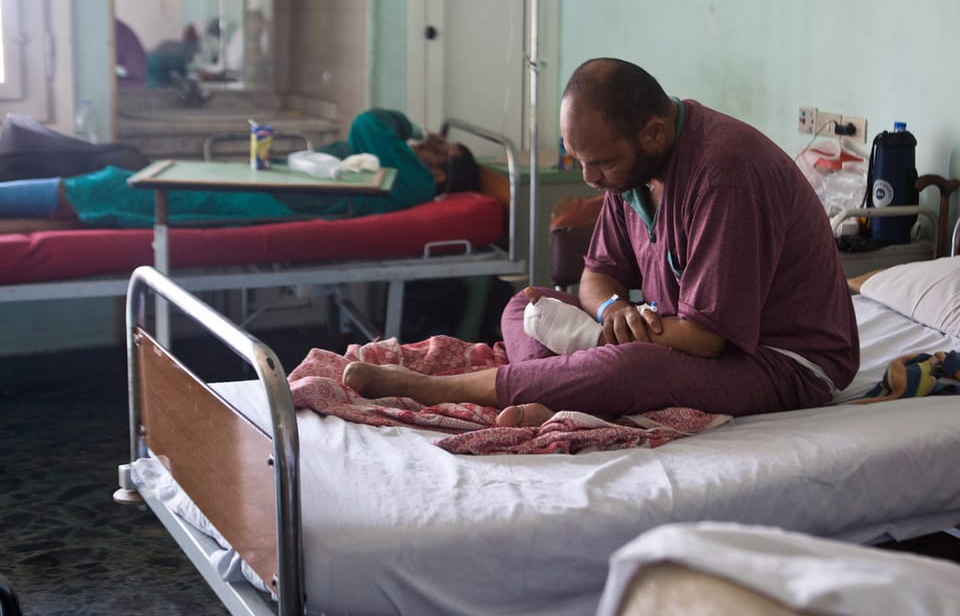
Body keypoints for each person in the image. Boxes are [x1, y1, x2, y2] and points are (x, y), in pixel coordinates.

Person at [342, 57, 860, 427]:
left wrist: (621, 340)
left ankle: (431, 389)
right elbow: (597, 274)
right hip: (683, 334)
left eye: (602, 163)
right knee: (528, 304)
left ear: (653, 133)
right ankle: (565, 386)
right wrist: (612, 309)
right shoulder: (631, 169)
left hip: (784, 363)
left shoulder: (724, 173)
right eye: (579, 159)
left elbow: (706, 338)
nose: (590, 179)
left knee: (634, 365)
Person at [0, 108, 479, 229]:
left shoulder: (413, 181)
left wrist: (413, 126)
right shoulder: (395, 168)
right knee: (110, 190)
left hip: (262, 202)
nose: (425, 144)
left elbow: (368, 121)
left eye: (441, 148)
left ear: (442, 175)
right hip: (265, 190)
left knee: (114, 191)